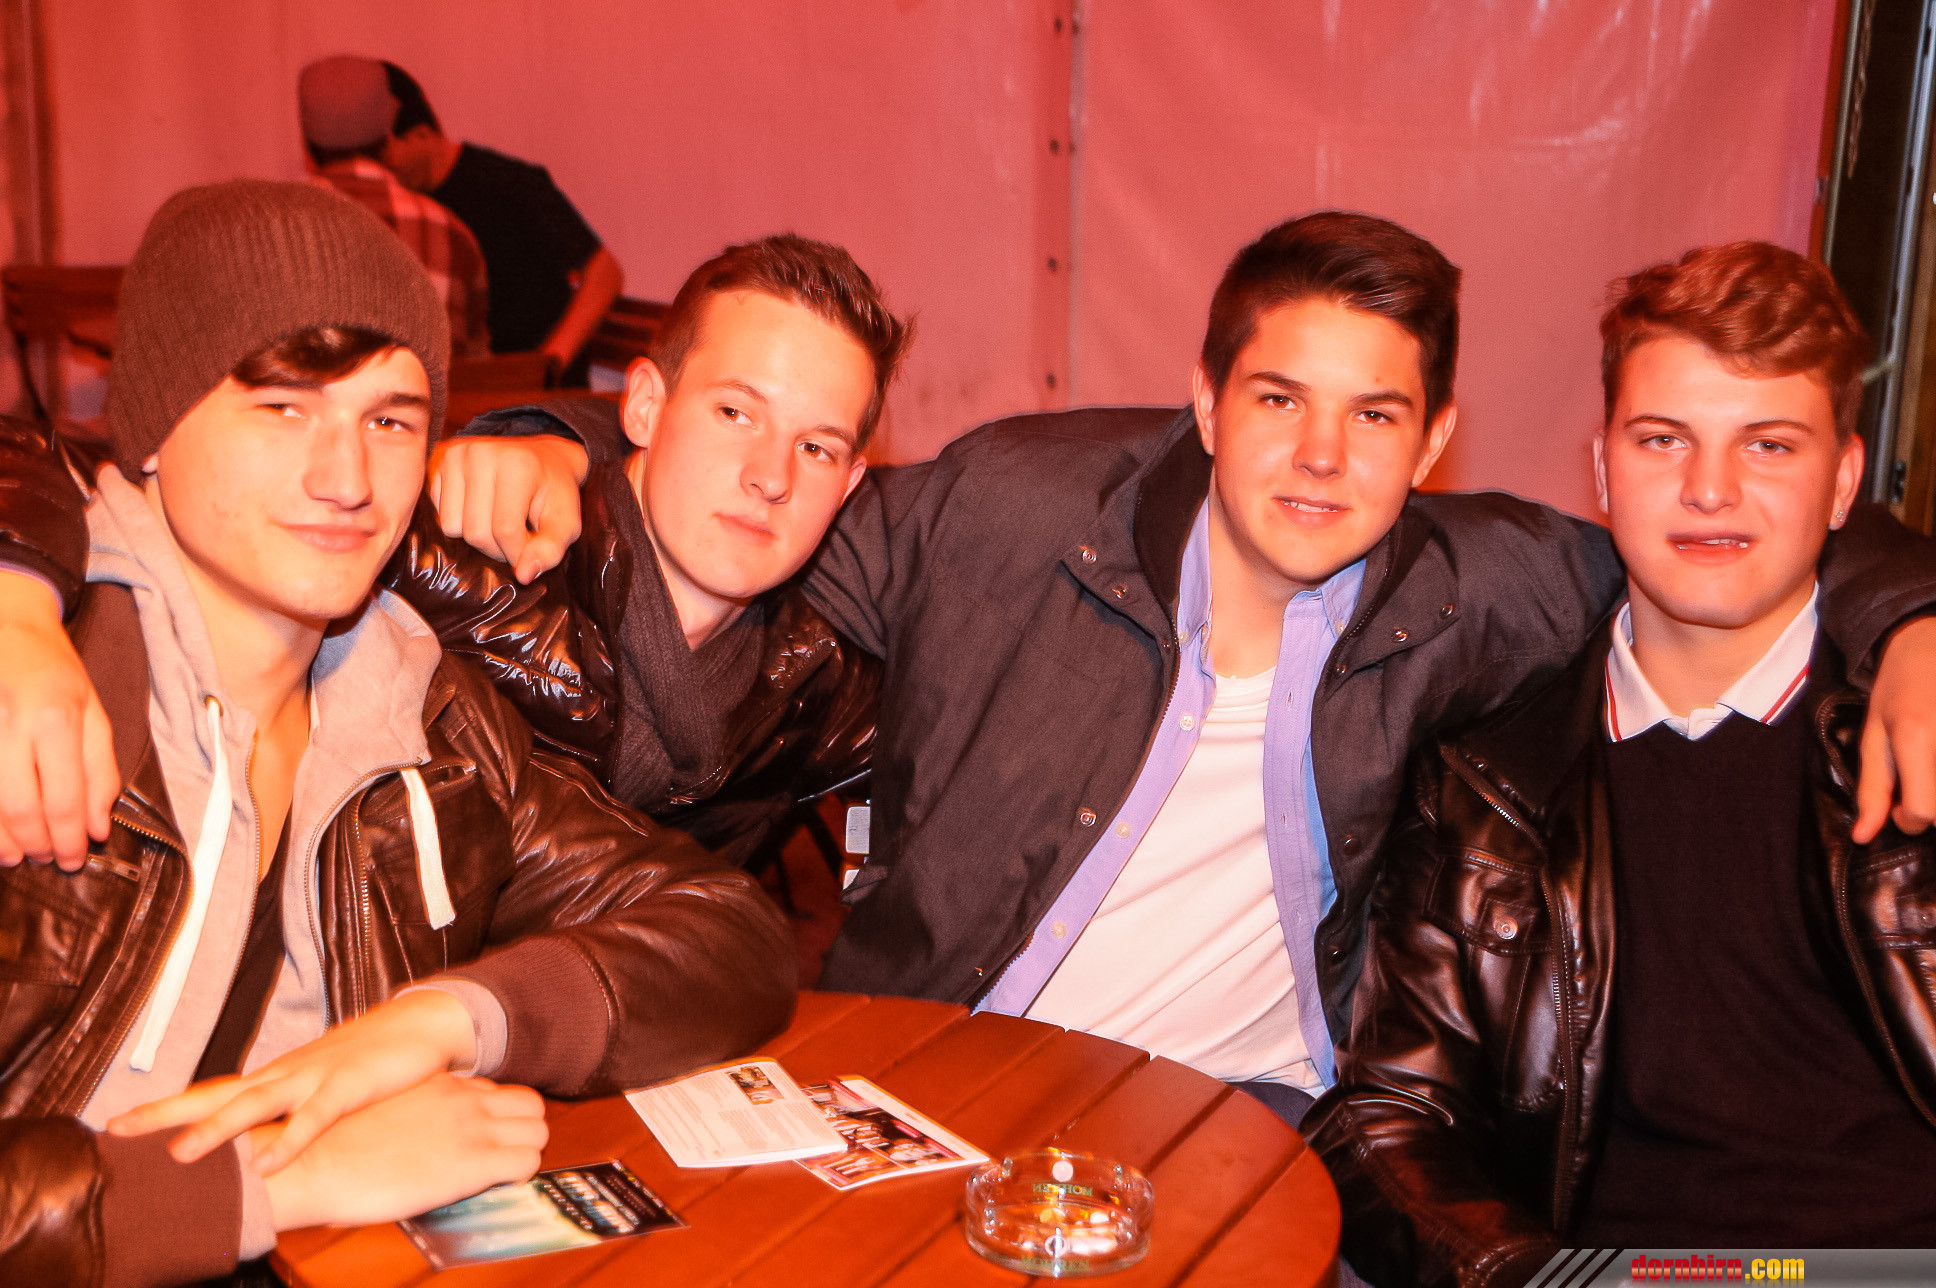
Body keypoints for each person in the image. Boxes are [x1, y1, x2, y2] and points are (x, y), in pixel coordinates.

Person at [384, 211, 1936, 1132]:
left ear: (1436, 442)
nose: (1321, 458)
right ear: (1203, 399)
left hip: (1253, 1119)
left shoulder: (1481, 585)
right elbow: (757, 494)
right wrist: (541, 436)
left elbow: (1713, 532)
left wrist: (1919, 616)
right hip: (924, 1079)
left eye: (1376, 418)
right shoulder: (1013, 507)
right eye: (1278, 399)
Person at [0, 179, 793, 1285]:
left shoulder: (424, 720)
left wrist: (449, 1021)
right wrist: (271, 1185)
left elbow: (732, 934)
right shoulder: (42, 686)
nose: (346, 480)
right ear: (154, 428)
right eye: (282, 408)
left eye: (389, 421)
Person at [1303, 241, 1936, 1282]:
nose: (1709, 489)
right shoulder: (1485, 783)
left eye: (1769, 446)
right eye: (1662, 439)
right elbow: (1390, 1115)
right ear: (1601, 468)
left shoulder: (1917, 720)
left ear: (1843, 484)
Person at [0, 232, 895, 870]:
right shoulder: (473, 542)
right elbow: (72, 462)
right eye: (735, 412)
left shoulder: (810, 679)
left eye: (816, 447)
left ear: (851, 480)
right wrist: (16, 612)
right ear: (646, 407)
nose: (769, 476)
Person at [378, 60, 624, 380]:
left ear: (421, 134)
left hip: (527, 387)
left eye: (384, 158)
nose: (382, 172)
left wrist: (545, 367)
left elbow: (605, 273)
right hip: (466, 383)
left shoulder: (508, 183)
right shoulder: (402, 203)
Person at [297, 54, 491, 358]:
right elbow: (475, 361)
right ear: (388, 131)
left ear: (307, 141)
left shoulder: (269, 233)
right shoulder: (453, 234)